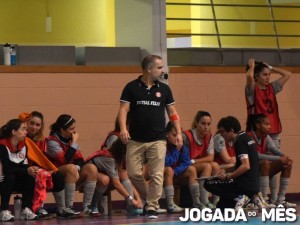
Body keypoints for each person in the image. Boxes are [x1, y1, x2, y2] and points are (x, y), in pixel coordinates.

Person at [118, 54, 183, 219]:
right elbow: (123, 110)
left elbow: (173, 113)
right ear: (149, 69)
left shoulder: (164, 89)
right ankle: (149, 198)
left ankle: (152, 207)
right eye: (159, 67)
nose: (162, 71)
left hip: (158, 139)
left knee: (156, 174)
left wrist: (179, 132)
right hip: (135, 139)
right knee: (133, 173)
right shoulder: (131, 87)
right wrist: (123, 128)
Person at [245, 59, 291, 202]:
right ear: (256, 76)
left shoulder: (272, 88)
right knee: (264, 163)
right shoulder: (252, 90)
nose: (268, 77)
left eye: (269, 74)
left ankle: (276, 198)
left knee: (276, 165)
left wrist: (271, 66)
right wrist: (252, 67)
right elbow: (248, 77)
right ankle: (262, 197)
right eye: (264, 74)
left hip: (274, 131)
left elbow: (288, 74)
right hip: (258, 132)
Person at [204, 116, 261, 211]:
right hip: (253, 185)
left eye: (223, 132)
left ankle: (240, 196)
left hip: (243, 184)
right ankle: (251, 198)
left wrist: (228, 177)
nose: (222, 135)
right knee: (221, 207)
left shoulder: (239, 141)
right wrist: (225, 171)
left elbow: (245, 166)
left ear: (231, 130)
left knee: (208, 183)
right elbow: (244, 164)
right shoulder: (247, 138)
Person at [18, 112, 66, 218]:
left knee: (58, 176)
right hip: (25, 170)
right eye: (32, 123)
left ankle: (61, 209)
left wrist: (48, 169)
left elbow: (43, 160)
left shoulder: (43, 141)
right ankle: (37, 208)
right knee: (37, 176)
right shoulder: (20, 138)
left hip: (39, 169)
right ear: (26, 123)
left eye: (37, 125)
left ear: (41, 126)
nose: (34, 127)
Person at [246, 114, 296, 207]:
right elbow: (256, 155)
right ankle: (263, 199)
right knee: (265, 162)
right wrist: (279, 158)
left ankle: (280, 200)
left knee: (287, 164)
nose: (270, 126)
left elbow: (275, 150)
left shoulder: (266, 137)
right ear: (257, 125)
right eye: (266, 124)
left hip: (259, 169)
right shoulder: (249, 136)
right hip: (248, 171)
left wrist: (284, 157)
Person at [46, 114, 84, 217]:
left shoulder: (70, 140)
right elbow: (64, 160)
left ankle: (88, 207)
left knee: (91, 169)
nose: (74, 132)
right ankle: (66, 207)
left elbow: (80, 159)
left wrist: (77, 167)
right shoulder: (52, 141)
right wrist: (75, 142)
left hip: (69, 172)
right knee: (71, 168)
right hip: (53, 172)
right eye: (71, 129)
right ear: (62, 129)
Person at [0, 119, 38, 221]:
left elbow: (24, 167)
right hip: (2, 180)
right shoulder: (2, 146)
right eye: (23, 129)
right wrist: (26, 171)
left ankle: (26, 209)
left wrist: (31, 169)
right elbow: (7, 169)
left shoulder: (24, 146)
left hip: (13, 181)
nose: (26, 132)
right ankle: (3, 211)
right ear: (14, 132)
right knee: (10, 176)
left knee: (30, 177)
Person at [182, 111, 219, 209]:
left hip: (194, 163)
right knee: (207, 165)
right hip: (184, 166)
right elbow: (182, 158)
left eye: (208, 124)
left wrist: (194, 161)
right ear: (196, 123)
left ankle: (216, 200)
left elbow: (211, 158)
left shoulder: (209, 136)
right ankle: (204, 201)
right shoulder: (186, 136)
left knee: (215, 165)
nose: (206, 127)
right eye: (203, 124)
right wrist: (192, 162)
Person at [164, 121, 202, 212]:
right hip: (162, 176)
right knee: (168, 170)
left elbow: (186, 162)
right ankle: (170, 204)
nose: (177, 138)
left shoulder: (182, 146)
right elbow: (167, 162)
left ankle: (197, 203)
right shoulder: (162, 145)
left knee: (191, 169)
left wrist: (175, 171)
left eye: (178, 135)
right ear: (166, 134)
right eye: (174, 135)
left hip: (174, 174)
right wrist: (177, 150)